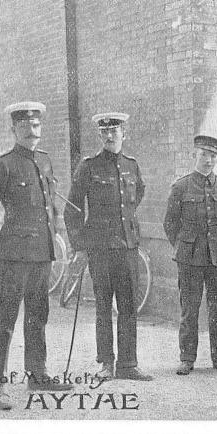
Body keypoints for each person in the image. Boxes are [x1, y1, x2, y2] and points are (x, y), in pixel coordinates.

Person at [0, 101, 73, 411]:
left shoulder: (43, 161)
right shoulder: (2, 165)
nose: (32, 131)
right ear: (14, 129)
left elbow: (49, 206)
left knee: (38, 315)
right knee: (7, 317)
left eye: (37, 126)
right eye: (26, 126)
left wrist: (57, 234)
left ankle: (37, 374)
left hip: (42, 252)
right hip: (14, 256)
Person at [64, 112, 153, 382]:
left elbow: (138, 194)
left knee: (128, 306)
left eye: (115, 131)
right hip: (100, 248)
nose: (110, 136)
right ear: (100, 136)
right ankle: (106, 363)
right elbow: (73, 209)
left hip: (127, 246)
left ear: (124, 133)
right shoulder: (89, 166)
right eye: (105, 132)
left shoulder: (131, 165)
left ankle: (128, 363)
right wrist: (79, 246)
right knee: (103, 306)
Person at [163, 135, 217, 375]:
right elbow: (170, 224)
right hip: (190, 257)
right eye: (204, 155)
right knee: (190, 308)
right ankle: (187, 358)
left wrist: (216, 241)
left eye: (214, 156)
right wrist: (184, 245)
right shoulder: (181, 186)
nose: (209, 160)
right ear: (194, 155)